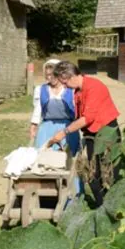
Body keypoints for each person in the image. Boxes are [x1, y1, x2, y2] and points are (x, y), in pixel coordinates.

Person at [48, 61, 120, 206]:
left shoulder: (94, 87)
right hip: (91, 134)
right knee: (93, 174)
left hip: (107, 132)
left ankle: (114, 208)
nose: (64, 85)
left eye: (64, 81)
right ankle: (102, 207)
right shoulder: (78, 90)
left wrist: (64, 132)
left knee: (109, 174)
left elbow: (88, 118)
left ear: (69, 76)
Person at [30, 58, 83, 196]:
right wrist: (34, 125)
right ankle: (46, 193)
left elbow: (77, 110)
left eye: (53, 74)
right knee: (44, 160)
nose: (50, 78)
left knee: (68, 160)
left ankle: (72, 193)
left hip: (67, 128)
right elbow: (38, 109)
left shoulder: (69, 89)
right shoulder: (41, 89)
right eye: (47, 75)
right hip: (47, 128)